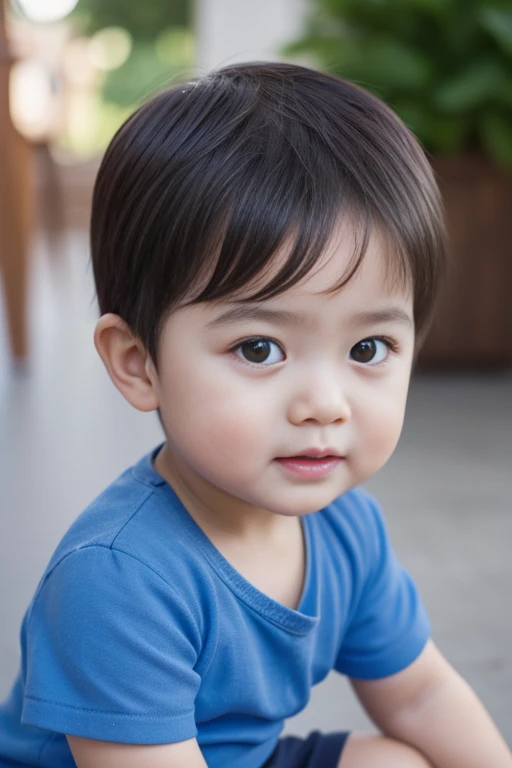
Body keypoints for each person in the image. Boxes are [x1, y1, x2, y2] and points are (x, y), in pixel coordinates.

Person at [0, 62, 510, 768]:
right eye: (260, 347)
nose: (324, 404)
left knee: (396, 760)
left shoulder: (346, 530)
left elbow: (420, 695)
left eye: (369, 346)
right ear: (138, 362)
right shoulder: (118, 580)